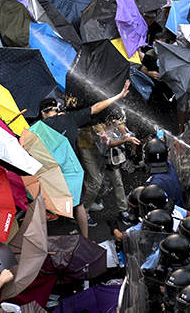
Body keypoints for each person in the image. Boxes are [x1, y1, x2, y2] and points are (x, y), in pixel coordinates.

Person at [39, 81, 130, 235]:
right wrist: (118, 96)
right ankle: (85, 240)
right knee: (79, 205)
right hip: (72, 171)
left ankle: (44, 234)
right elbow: (96, 108)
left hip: (49, 174)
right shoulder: (70, 119)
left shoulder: (37, 128)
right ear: (56, 109)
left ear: (42, 113)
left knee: (42, 203)